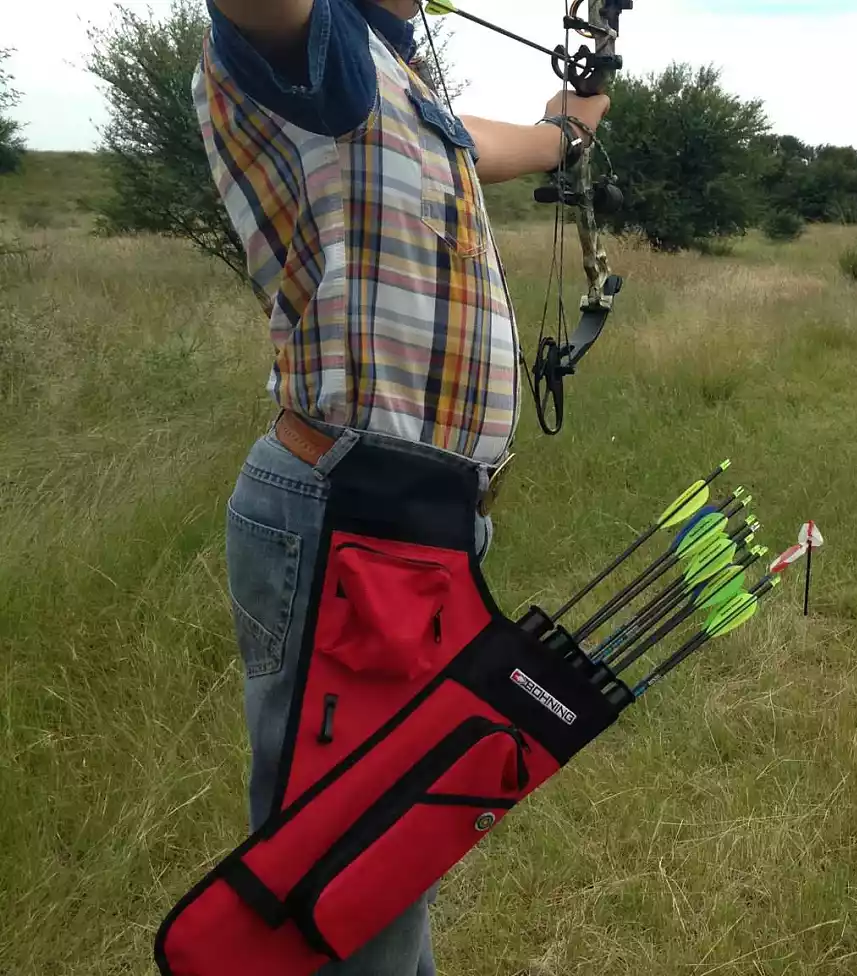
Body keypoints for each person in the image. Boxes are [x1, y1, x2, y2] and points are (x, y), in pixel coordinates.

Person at [193, 1, 610, 972]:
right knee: (349, 872)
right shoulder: (311, 49)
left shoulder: (397, 83)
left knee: (388, 860)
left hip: (411, 529)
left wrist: (571, 123)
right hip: (351, 518)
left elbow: (515, 144)